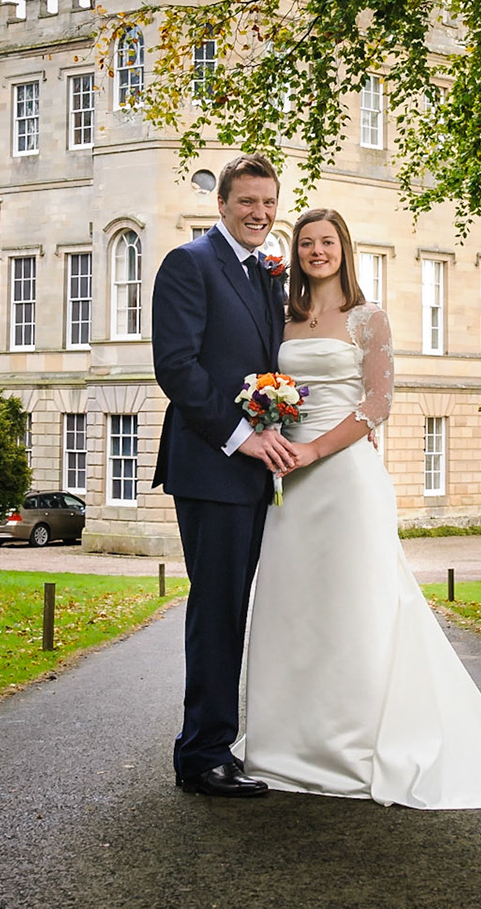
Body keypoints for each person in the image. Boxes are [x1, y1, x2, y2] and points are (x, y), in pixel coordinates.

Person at [234, 207, 481, 808]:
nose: (318, 251)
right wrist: (268, 424)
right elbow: (266, 382)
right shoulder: (282, 316)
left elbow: (377, 404)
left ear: (344, 248)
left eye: (328, 242)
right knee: (292, 607)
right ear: (295, 253)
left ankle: (353, 746)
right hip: (288, 481)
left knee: (355, 605)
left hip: (343, 476)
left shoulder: (369, 319)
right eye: (307, 243)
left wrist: (315, 447)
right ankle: (285, 743)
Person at [150, 154, 295, 798]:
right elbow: (178, 369)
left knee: (236, 607)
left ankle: (219, 743)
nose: (259, 213)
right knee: (217, 611)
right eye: (247, 202)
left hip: (257, 473)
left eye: (268, 203)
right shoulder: (190, 264)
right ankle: (201, 755)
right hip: (212, 468)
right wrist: (245, 440)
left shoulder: (266, 272)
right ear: (222, 204)